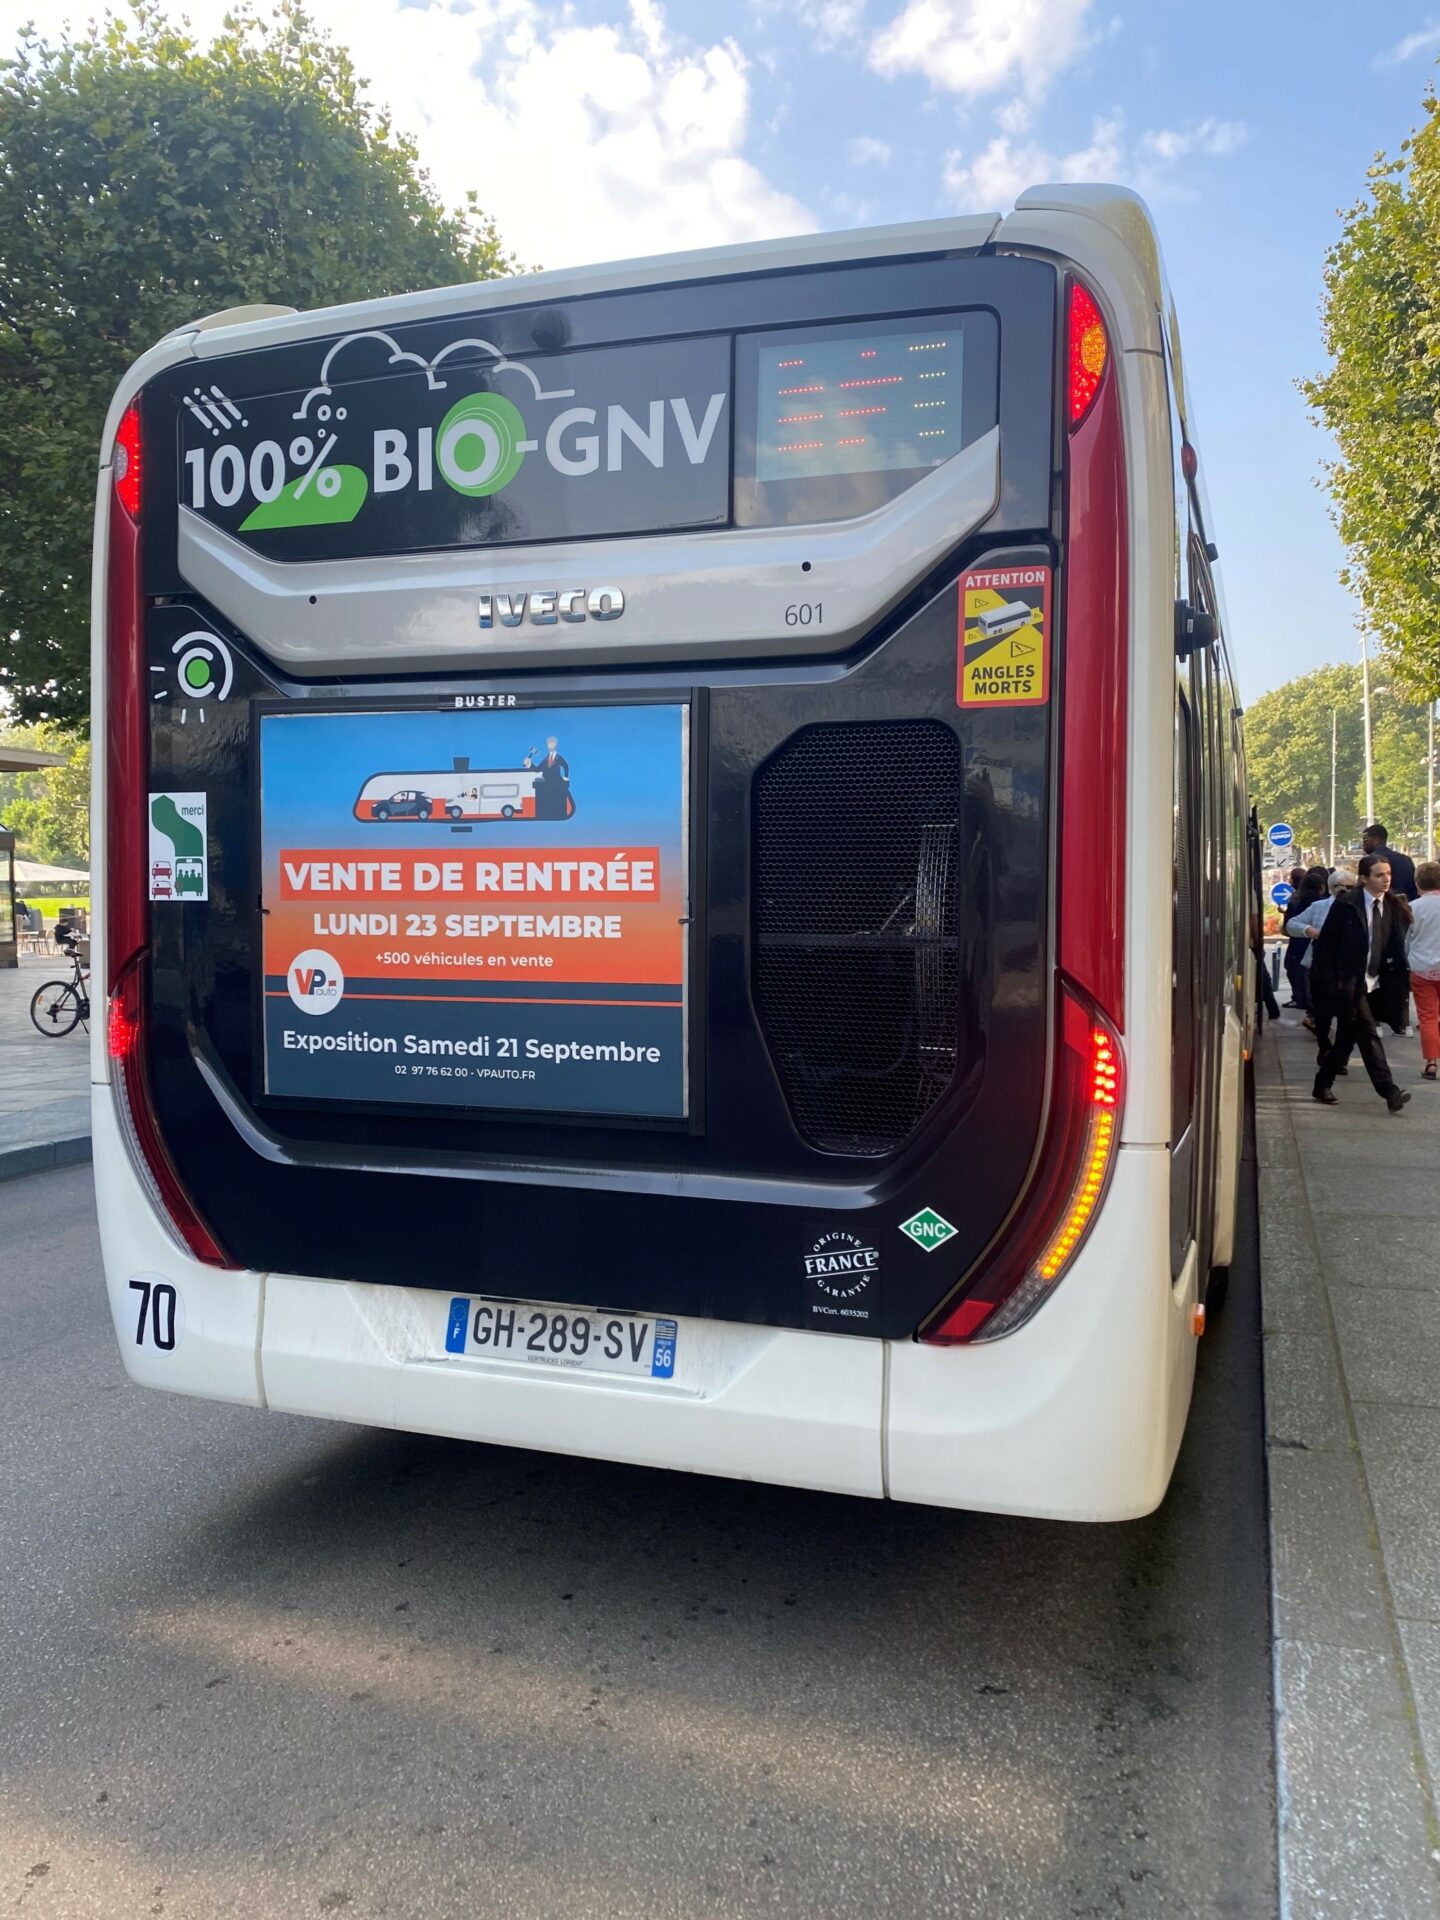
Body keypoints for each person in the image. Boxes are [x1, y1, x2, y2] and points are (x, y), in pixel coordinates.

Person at [1311, 853, 1411, 1112]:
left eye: (1388, 874)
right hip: (1349, 983)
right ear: (1364, 879)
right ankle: (1389, 1091)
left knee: (1346, 1038)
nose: (1386, 879)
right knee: (1368, 1034)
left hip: (1375, 983)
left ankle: (1322, 1083)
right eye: (1380, 875)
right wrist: (1332, 983)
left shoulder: (1392, 906)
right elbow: (1327, 947)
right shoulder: (1347, 905)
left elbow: (1394, 948)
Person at [1289, 869, 1354, 1058]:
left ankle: (1339, 1057)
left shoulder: (1359, 907)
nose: (1346, 891)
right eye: (1342, 888)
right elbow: (1292, 924)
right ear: (1331, 889)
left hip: (1347, 969)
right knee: (1322, 1013)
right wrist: (1309, 930)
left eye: (1351, 887)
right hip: (1319, 966)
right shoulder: (1319, 907)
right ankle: (1324, 1046)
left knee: (1347, 1016)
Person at [1407, 859, 1440, 1081]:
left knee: (1428, 1017)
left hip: (1421, 969)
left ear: (1418, 883)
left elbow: (1406, 940)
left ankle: (1431, 1063)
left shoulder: (1412, 908)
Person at [1282, 866, 1327, 1009]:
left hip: (1297, 944)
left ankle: (1300, 999)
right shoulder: (1324, 903)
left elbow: (1288, 926)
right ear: (1322, 887)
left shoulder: (1295, 902)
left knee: (1295, 972)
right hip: (1316, 945)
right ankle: (1312, 1003)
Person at [1362, 822, 1418, 902]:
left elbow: (1364, 890)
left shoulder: (1368, 862)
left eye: (1365, 841)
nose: (1363, 845)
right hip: (1404, 907)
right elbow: (1413, 889)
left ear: (1376, 840)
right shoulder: (1406, 860)